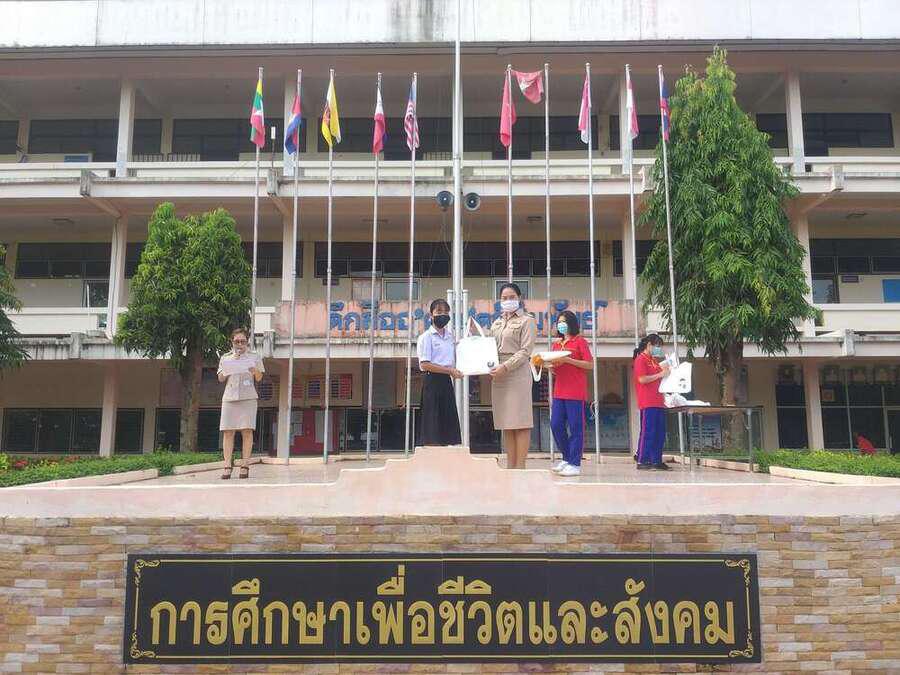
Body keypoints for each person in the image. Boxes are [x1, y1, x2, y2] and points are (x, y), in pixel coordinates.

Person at [489, 283, 537, 469]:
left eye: (511, 297)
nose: (508, 301)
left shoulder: (527, 321)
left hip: (517, 373)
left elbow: (525, 351)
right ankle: (510, 465)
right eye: (504, 298)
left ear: (519, 298)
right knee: (507, 422)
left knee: (521, 421)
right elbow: (489, 348)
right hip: (499, 374)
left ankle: (520, 466)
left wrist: (505, 367)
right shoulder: (496, 323)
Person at [545, 310, 594, 477]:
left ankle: (575, 463)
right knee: (556, 425)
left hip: (575, 391)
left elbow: (589, 365)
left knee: (576, 427)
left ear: (571, 323)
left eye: (564, 321)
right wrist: (549, 366)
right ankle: (567, 457)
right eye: (559, 322)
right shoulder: (556, 345)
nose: (561, 325)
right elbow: (556, 369)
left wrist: (568, 360)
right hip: (559, 391)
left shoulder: (580, 342)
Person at [217, 328, 264, 479]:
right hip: (229, 397)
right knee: (228, 431)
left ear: (247, 342)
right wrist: (230, 366)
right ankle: (227, 466)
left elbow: (259, 378)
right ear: (232, 342)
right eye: (237, 341)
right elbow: (220, 378)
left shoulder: (254, 357)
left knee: (247, 430)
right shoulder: (226, 357)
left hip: (248, 397)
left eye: (242, 341)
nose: (240, 344)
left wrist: (254, 370)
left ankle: (245, 465)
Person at [417, 298, 463, 446]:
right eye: (438, 311)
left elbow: (456, 358)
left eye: (446, 312)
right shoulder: (426, 337)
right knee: (432, 423)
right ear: (431, 315)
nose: (443, 315)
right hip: (432, 381)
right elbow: (425, 365)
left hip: (446, 381)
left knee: (447, 422)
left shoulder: (450, 337)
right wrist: (449, 370)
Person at [633, 333, 671, 471]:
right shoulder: (640, 359)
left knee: (660, 432)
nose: (659, 349)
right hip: (648, 401)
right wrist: (660, 374)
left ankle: (656, 460)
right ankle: (643, 459)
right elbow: (642, 379)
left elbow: (661, 375)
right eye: (657, 346)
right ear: (649, 345)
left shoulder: (653, 360)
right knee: (648, 431)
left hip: (659, 401)